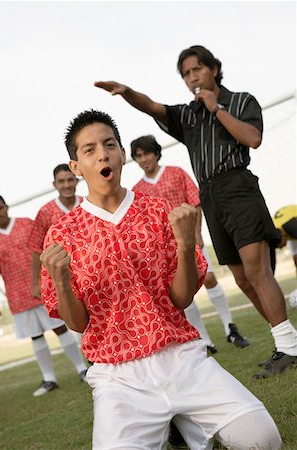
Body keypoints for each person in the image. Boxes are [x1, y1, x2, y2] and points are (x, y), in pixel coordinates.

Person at [40, 109, 282, 449]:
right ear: (76, 167)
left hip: (182, 357)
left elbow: (180, 299)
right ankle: (180, 427)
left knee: (263, 439)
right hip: (118, 375)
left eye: (109, 144)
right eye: (89, 150)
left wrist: (185, 246)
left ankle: (183, 424)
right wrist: (62, 282)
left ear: (122, 154)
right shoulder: (62, 234)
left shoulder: (157, 211)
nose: (103, 154)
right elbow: (79, 324)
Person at [94, 45, 297, 378]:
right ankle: (286, 343)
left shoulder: (242, 100)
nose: (192, 78)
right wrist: (127, 92)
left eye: (197, 70)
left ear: (214, 69)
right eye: (186, 74)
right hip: (211, 194)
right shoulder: (187, 115)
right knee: (243, 278)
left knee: (257, 271)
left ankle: (288, 347)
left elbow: (253, 138)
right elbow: (151, 107)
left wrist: (216, 107)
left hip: (238, 187)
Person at [131, 134, 250, 353]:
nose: (143, 159)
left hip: (189, 238)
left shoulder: (176, 172)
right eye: (138, 156)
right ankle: (204, 340)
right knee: (182, 291)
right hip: (164, 250)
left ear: (156, 153)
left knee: (210, 278)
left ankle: (229, 327)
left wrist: (196, 233)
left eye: (146, 153)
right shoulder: (137, 190)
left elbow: (195, 202)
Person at [0, 195, 88, 397]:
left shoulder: (26, 224)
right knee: (35, 336)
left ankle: (82, 368)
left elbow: (43, 248)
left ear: (7, 207)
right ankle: (49, 378)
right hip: (17, 295)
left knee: (60, 328)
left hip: (41, 289)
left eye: (0, 208)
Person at [30, 163, 83, 299]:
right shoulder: (45, 212)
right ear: (55, 184)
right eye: (61, 181)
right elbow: (36, 248)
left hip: (91, 272)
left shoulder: (87, 204)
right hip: (62, 277)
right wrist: (36, 282)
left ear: (76, 180)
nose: (66, 185)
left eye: (70, 180)